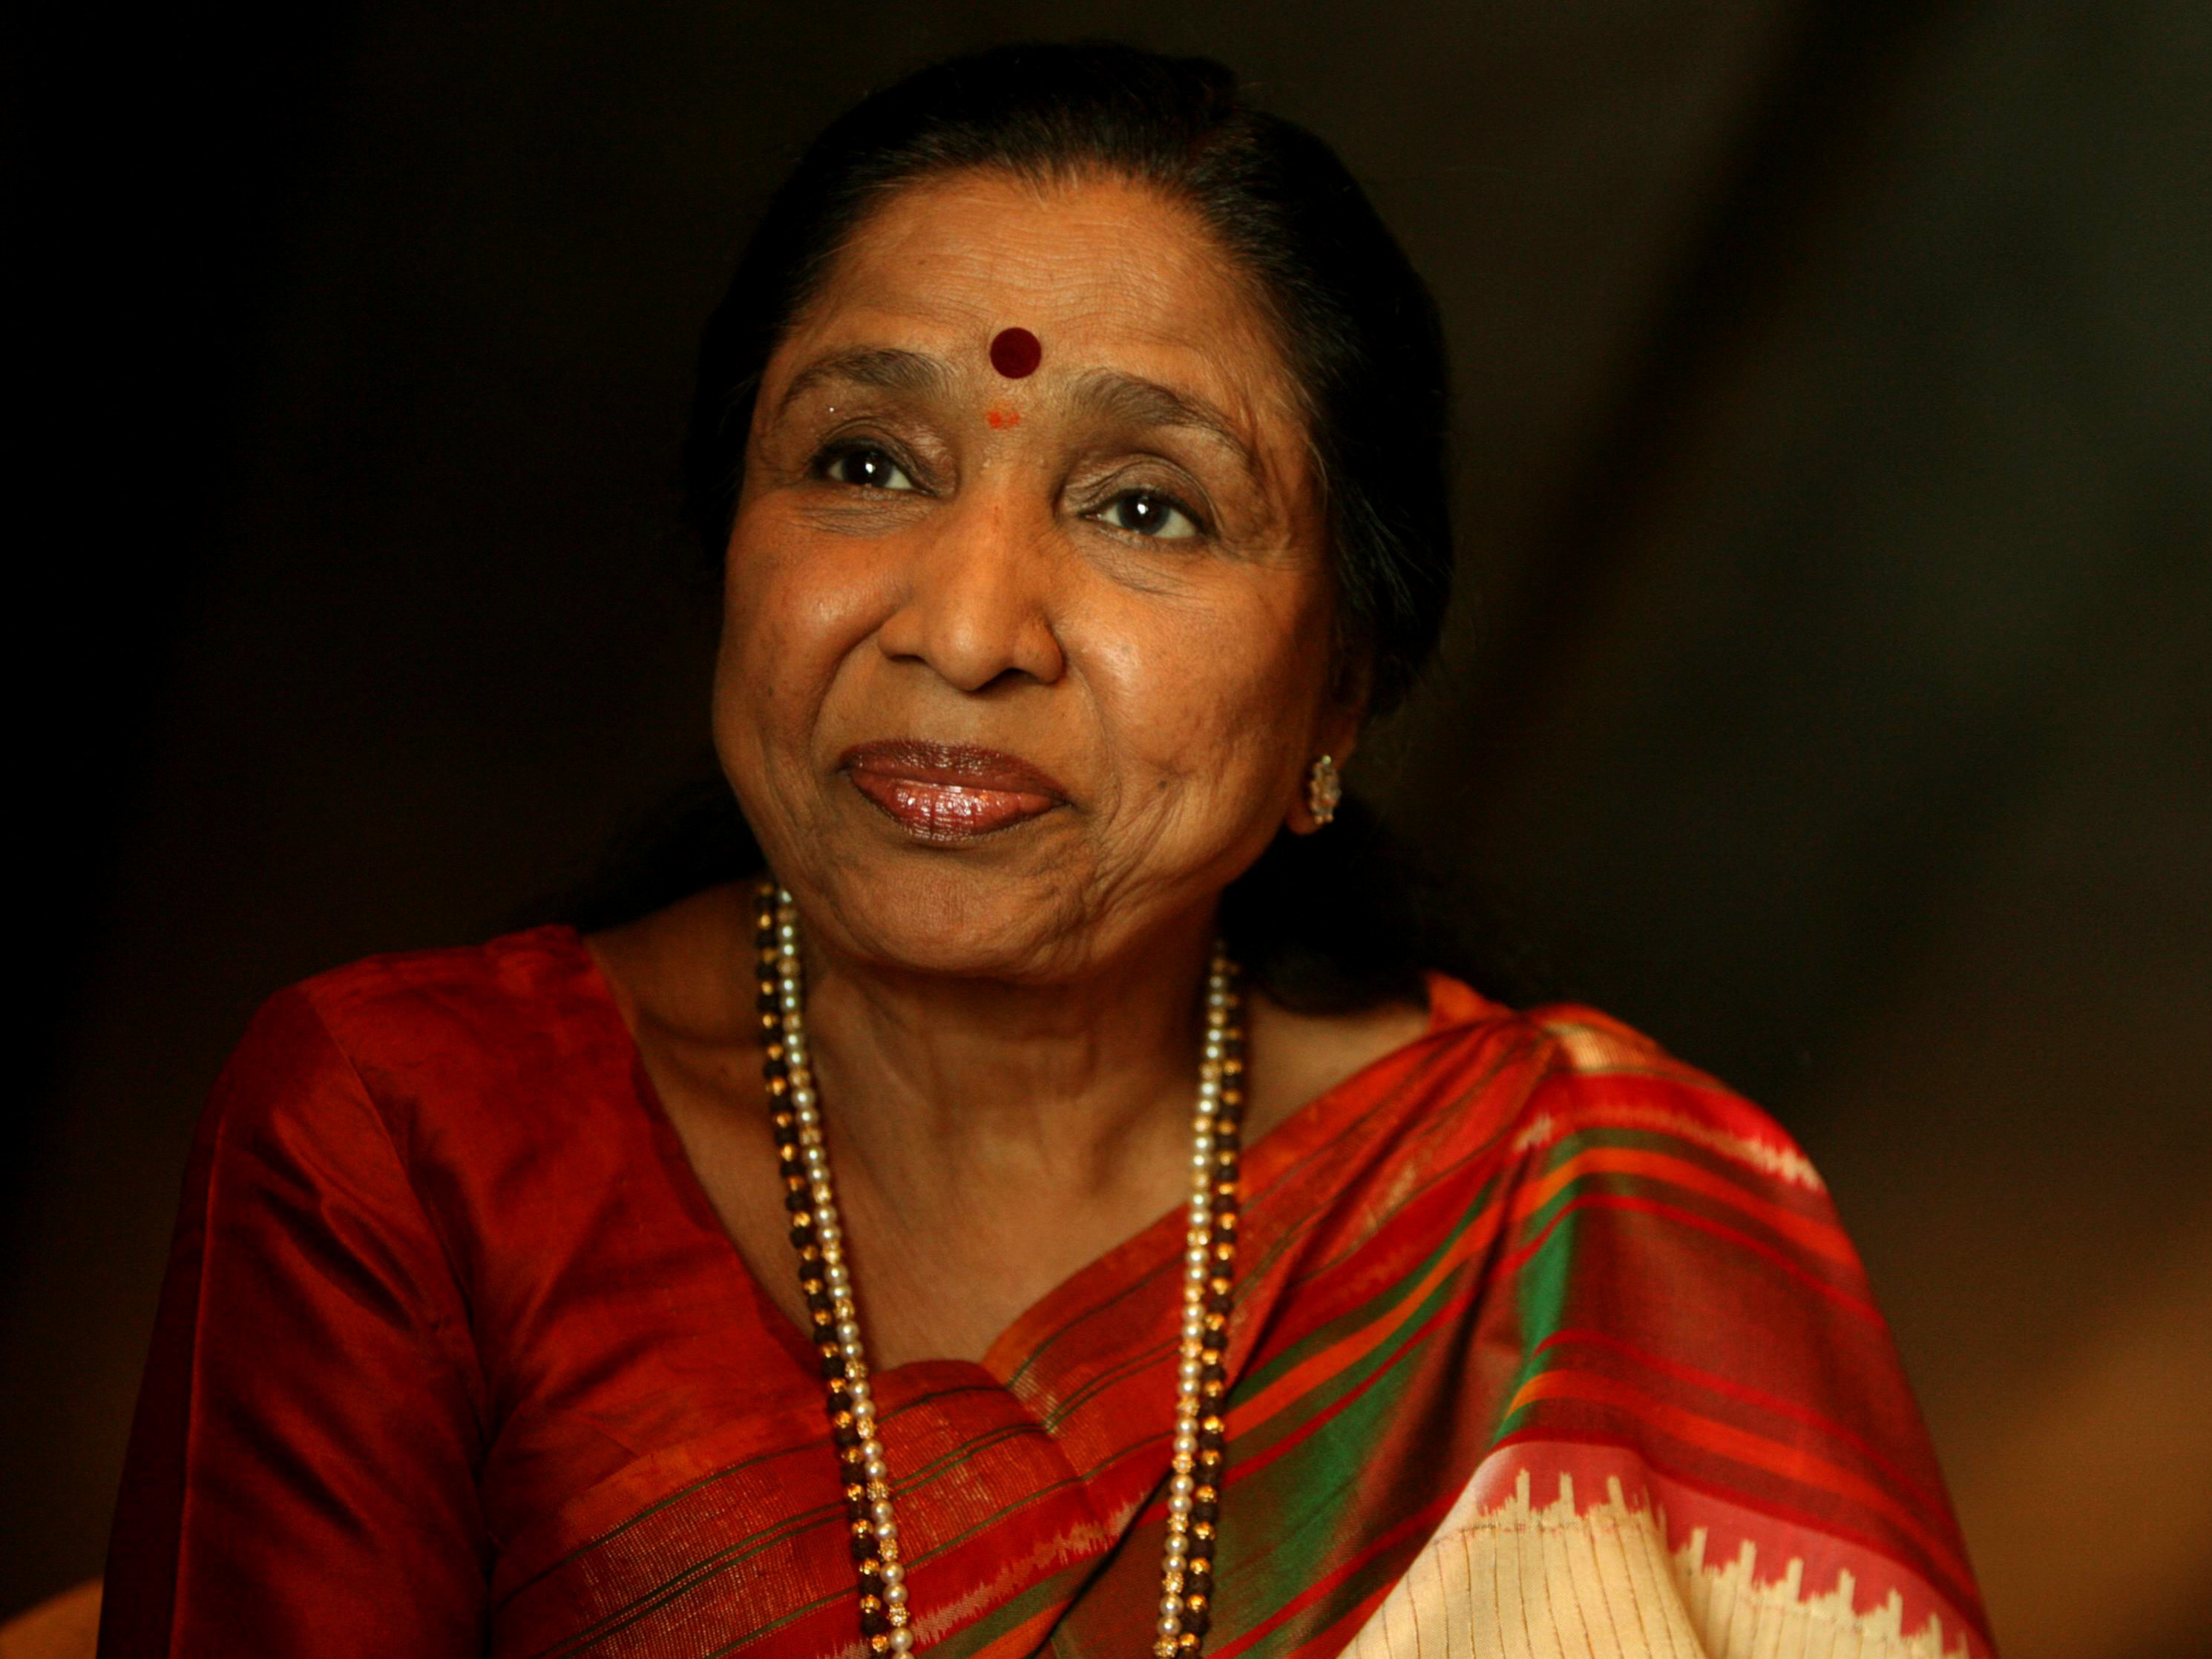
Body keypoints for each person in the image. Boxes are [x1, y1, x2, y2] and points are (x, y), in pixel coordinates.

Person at [98, 42, 1993, 1659]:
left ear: (1342, 690)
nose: (968, 621)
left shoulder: (1575, 1219)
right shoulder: (408, 1138)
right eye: (866, 464)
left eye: (1147, 503)